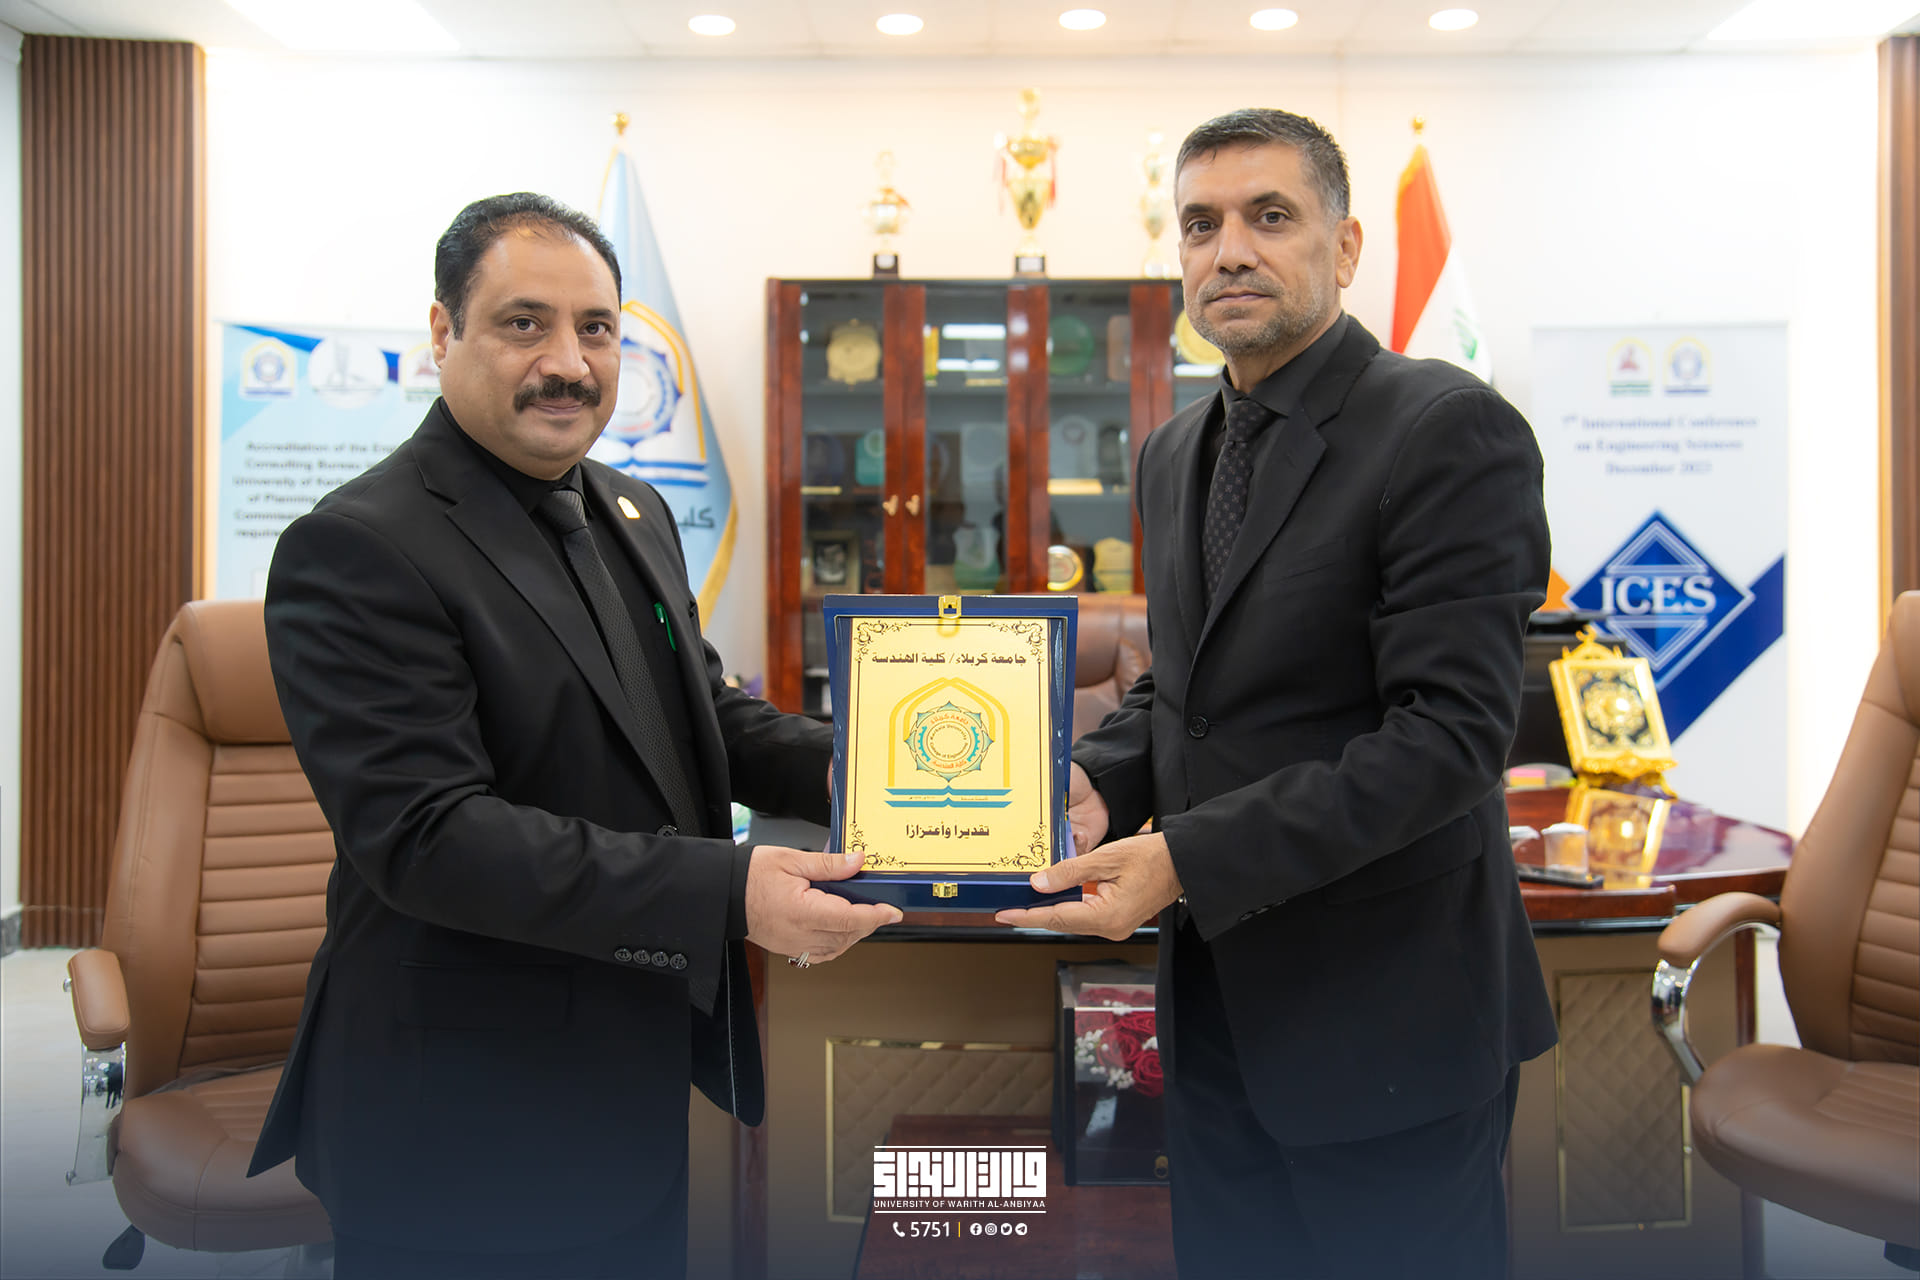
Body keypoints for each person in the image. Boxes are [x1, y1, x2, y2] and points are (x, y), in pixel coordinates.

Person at [249, 192, 901, 1279]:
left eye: (596, 328)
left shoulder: (629, 509)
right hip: (457, 1123)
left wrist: (863, 768)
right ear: (444, 332)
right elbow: (429, 836)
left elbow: (699, 714)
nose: (569, 362)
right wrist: (727, 891)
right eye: (524, 324)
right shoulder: (360, 546)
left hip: (625, 1081)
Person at [997, 109, 1557, 1277]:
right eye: (1200, 225)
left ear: (1345, 247)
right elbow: (1186, 688)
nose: (1229, 251)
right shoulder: (1172, 450)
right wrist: (1098, 779)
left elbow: (1450, 738)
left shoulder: (1446, 428)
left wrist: (1186, 856)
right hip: (1216, 1018)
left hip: (1391, 1026)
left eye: (1269, 216)